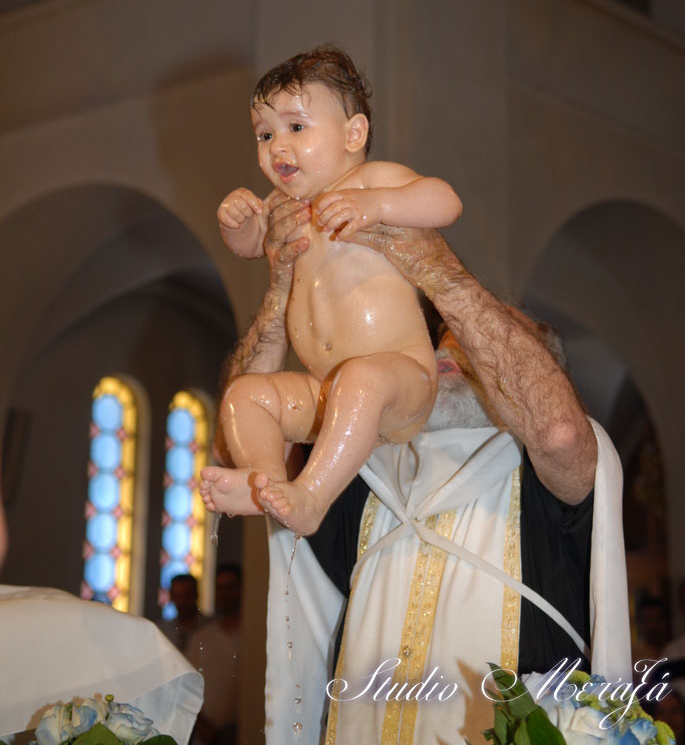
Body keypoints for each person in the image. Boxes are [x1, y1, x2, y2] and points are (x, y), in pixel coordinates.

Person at [208, 200, 632, 744]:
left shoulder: (548, 484)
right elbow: (236, 449)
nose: (452, 346)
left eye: (488, 340)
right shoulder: (358, 466)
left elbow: (558, 434)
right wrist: (280, 290)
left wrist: (443, 277)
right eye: (444, 337)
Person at [200, 46, 461, 535]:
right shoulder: (282, 204)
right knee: (246, 395)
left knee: (360, 380)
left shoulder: (370, 182)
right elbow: (249, 245)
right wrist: (237, 221)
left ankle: (313, 497)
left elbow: (445, 201)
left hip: (399, 380)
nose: (277, 147)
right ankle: (266, 481)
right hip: (326, 392)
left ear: (353, 135)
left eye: (296, 127)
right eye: (265, 134)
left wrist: (378, 206)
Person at [186, 564, 242, 745]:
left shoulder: (254, 636)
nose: (225, 594)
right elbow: (188, 684)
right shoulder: (202, 637)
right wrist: (202, 725)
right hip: (206, 736)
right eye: (220, 588)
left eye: (230, 588)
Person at [157, 572, 207, 655]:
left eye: (187, 595)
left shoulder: (208, 628)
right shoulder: (163, 631)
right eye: (177, 596)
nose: (182, 602)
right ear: (172, 597)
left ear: (196, 595)